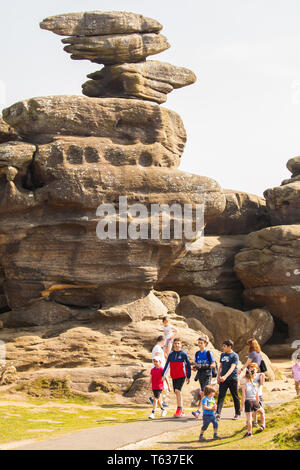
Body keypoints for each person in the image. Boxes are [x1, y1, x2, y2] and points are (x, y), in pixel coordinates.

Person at [162, 338, 191, 417]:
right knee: (176, 391)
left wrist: (188, 376)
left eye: (178, 343)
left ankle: (179, 409)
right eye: (175, 343)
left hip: (182, 375)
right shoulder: (171, 355)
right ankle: (181, 409)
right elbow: (167, 365)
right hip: (174, 375)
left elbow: (188, 365)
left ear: (181, 345)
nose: (177, 345)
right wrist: (163, 375)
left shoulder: (184, 354)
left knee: (177, 391)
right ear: (173, 345)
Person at [192, 336, 216, 419]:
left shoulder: (208, 353)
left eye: (201, 343)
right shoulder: (197, 353)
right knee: (206, 393)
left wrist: (204, 366)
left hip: (207, 374)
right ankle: (213, 410)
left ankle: (198, 411)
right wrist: (195, 368)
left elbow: (213, 364)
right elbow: (196, 365)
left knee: (205, 392)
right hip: (200, 375)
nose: (199, 344)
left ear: (205, 343)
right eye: (198, 343)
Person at [216, 340, 241, 420]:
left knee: (235, 396)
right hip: (223, 379)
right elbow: (221, 366)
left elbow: (232, 367)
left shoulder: (234, 356)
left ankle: (237, 413)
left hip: (232, 379)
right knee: (221, 396)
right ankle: (218, 413)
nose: (223, 348)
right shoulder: (222, 354)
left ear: (229, 347)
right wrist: (218, 376)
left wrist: (225, 376)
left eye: (224, 346)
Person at [241, 366, 265, 437]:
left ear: (246, 377)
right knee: (262, 412)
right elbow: (257, 396)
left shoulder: (244, 386)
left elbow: (243, 397)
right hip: (254, 401)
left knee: (249, 418)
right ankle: (263, 425)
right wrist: (258, 404)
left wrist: (242, 406)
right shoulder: (255, 385)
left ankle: (249, 432)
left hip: (248, 401)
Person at [148, 336, 169, 407]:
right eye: (165, 342)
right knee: (160, 386)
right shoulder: (157, 348)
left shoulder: (157, 348)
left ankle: (159, 401)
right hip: (159, 370)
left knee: (160, 386)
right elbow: (157, 357)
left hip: (159, 369)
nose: (165, 343)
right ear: (162, 341)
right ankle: (154, 399)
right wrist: (159, 368)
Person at [251, 363, 265, 427]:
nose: (252, 370)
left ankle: (262, 424)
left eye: (253, 369)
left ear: (257, 369)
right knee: (254, 410)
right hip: (252, 396)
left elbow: (262, 384)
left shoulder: (260, 375)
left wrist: (262, 377)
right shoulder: (248, 376)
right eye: (251, 368)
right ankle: (255, 421)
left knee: (260, 410)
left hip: (259, 395)